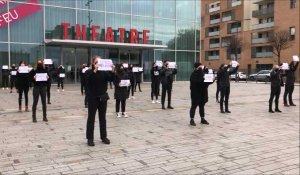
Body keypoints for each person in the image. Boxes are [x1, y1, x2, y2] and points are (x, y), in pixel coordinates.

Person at [85, 56, 112, 146]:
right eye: (97, 62)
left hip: (103, 97)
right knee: (91, 118)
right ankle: (90, 138)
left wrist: (112, 70)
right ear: (93, 63)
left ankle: (103, 136)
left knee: (102, 118)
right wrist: (95, 70)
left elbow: (112, 79)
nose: (99, 63)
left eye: (100, 61)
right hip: (92, 98)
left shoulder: (104, 72)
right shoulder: (88, 72)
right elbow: (88, 81)